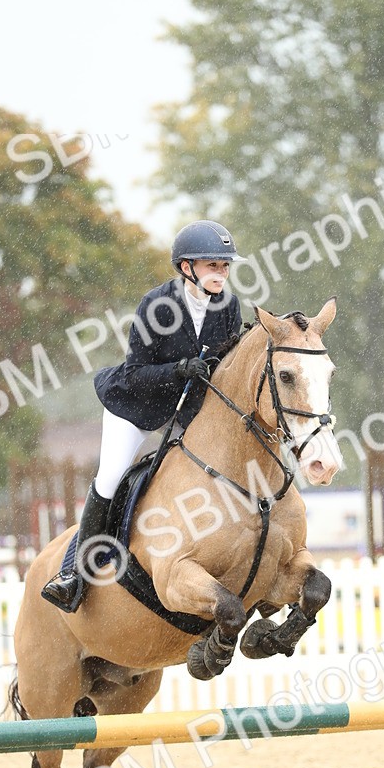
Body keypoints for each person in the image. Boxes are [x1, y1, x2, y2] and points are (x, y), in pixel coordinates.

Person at [41, 220, 243, 612]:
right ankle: (73, 574)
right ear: (187, 268)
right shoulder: (157, 306)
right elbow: (135, 373)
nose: (221, 273)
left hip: (187, 409)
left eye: (224, 266)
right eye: (212, 265)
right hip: (134, 405)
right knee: (112, 475)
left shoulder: (229, 306)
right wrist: (180, 368)